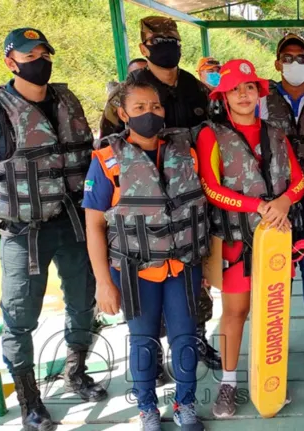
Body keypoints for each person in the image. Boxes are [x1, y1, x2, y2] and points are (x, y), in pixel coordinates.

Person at [0, 28, 106, 431]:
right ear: (11, 61)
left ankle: (76, 372)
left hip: (75, 222)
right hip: (24, 231)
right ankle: (29, 400)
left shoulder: (66, 99)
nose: (40, 59)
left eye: (44, 52)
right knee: (20, 315)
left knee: (83, 301)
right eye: (29, 54)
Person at [99, 16, 221, 374]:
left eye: (173, 38)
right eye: (159, 39)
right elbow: (110, 147)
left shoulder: (196, 88)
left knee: (193, 287)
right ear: (143, 47)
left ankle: (196, 343)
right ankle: (154, 359)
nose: (167, 44)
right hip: (144, 208)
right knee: (149, 296)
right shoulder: (131, 93)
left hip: (190, 199)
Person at [85, 79, 207, 431]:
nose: (149, 114)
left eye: (155, 107)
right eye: (139, 108)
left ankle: (185, 405)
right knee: (143, 340)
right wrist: (103, 283)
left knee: (186, 337)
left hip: (183, 265)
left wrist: (209, 264)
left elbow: (201, 208)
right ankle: (147, 409)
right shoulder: (107, 161)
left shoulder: (185, 152)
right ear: (123, 114)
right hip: (134, 271)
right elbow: (94, 226)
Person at [196, 59, 304, 417]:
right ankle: (228, 385)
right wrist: (258, 206)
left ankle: (270, 378)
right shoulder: (211, 134)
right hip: (235, 239)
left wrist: (285, 201)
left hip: (276, 238)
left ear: (258, 92)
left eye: (248, 87)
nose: (243, 94)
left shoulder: (276, 133)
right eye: (234, 88)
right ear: (223, 95)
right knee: (236, 311)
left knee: (274, 310)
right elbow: (211, 187)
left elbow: (299, 180)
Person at [260, 33, 304, 364]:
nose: (294, 63)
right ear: (277, 63)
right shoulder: (261, 97)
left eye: (300, 57)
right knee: (277, 268)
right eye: (287, 58)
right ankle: (276, 338)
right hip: (276, 197)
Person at [100, 58, 147, 137]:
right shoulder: (119, 95)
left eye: (146, 73)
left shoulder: (161, 89)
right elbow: (108, 133)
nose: (142, 78)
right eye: (135, 74)